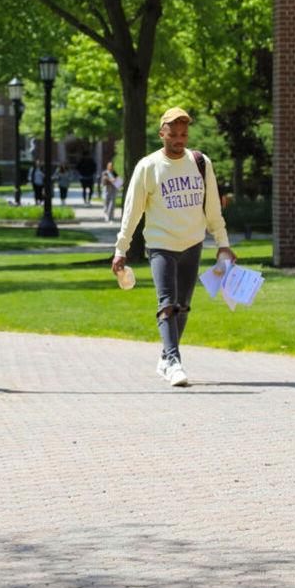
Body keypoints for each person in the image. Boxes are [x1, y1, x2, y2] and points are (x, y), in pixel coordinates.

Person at [110, 107, 235, 388]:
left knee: (183, 306)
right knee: (166, 303)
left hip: (193, 242)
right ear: (162, 134)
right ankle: (175, 361)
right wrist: (121, 249)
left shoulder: (201, 163)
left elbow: (213, 209)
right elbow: (132, 212)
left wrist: (223, 244)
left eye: (183, 134)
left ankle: (165, 357)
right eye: (173, 134)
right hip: (161, 244)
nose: (179, 139)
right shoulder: (148, 167)